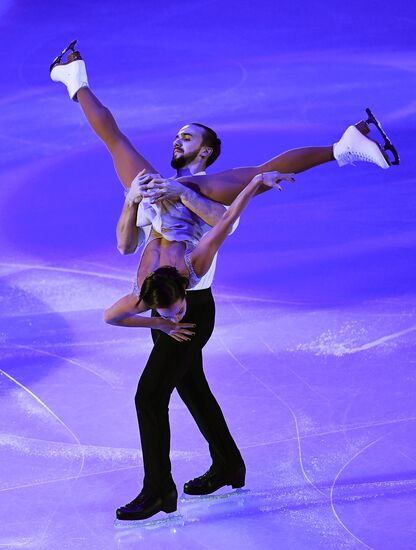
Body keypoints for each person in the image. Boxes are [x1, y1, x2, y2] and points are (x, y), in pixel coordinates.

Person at [50, 42, 398, 521]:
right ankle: (74, 78)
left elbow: (226, 220)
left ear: (207, 149)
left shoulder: (207, 186)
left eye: (188, 138)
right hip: (165, 300)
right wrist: (134, 199)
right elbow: (125, 237)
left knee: (150, 397)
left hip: (190, 304)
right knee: (191, 387)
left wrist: (181, 191)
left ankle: (158, 491)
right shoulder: (157, 185)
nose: (178, 141)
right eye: (177, 136)